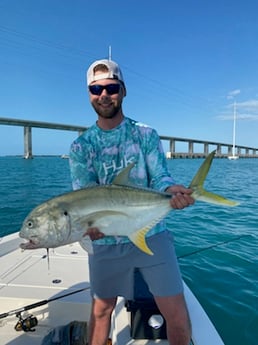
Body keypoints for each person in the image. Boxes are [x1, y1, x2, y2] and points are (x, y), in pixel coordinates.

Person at [69, 59, 194, 345]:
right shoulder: (81, 147)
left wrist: (171, 191)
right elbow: (84, 195)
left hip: (152, 234)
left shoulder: (145, 134)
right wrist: (90, 224)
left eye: (111, 87)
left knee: (176, 315)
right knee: (101, 312)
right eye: (95, 89)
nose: (104, 95)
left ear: (123, 91)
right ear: (89, 94)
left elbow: (160, 177)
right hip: (104, 243)